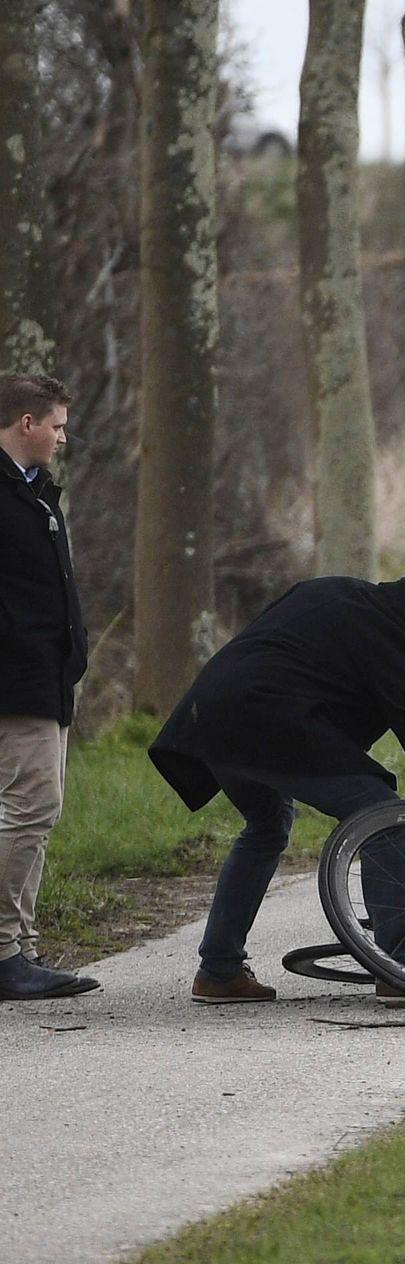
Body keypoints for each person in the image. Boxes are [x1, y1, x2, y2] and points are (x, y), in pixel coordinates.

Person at [151, 552, 405, 1003]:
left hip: (212, 715)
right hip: (263, 719)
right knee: (381, 815)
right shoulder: (395, 639)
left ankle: (218, 971)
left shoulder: (338, 590)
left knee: (266, 826)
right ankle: (400, 968)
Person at [0, 374, 95, 1000]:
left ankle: (19, 943)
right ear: (26, 423)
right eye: (56, 425)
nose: (63, 436)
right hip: (18, 680)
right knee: (31, 808)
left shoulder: (35, 491)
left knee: (31, 809)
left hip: (49, 677)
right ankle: (5, 950)